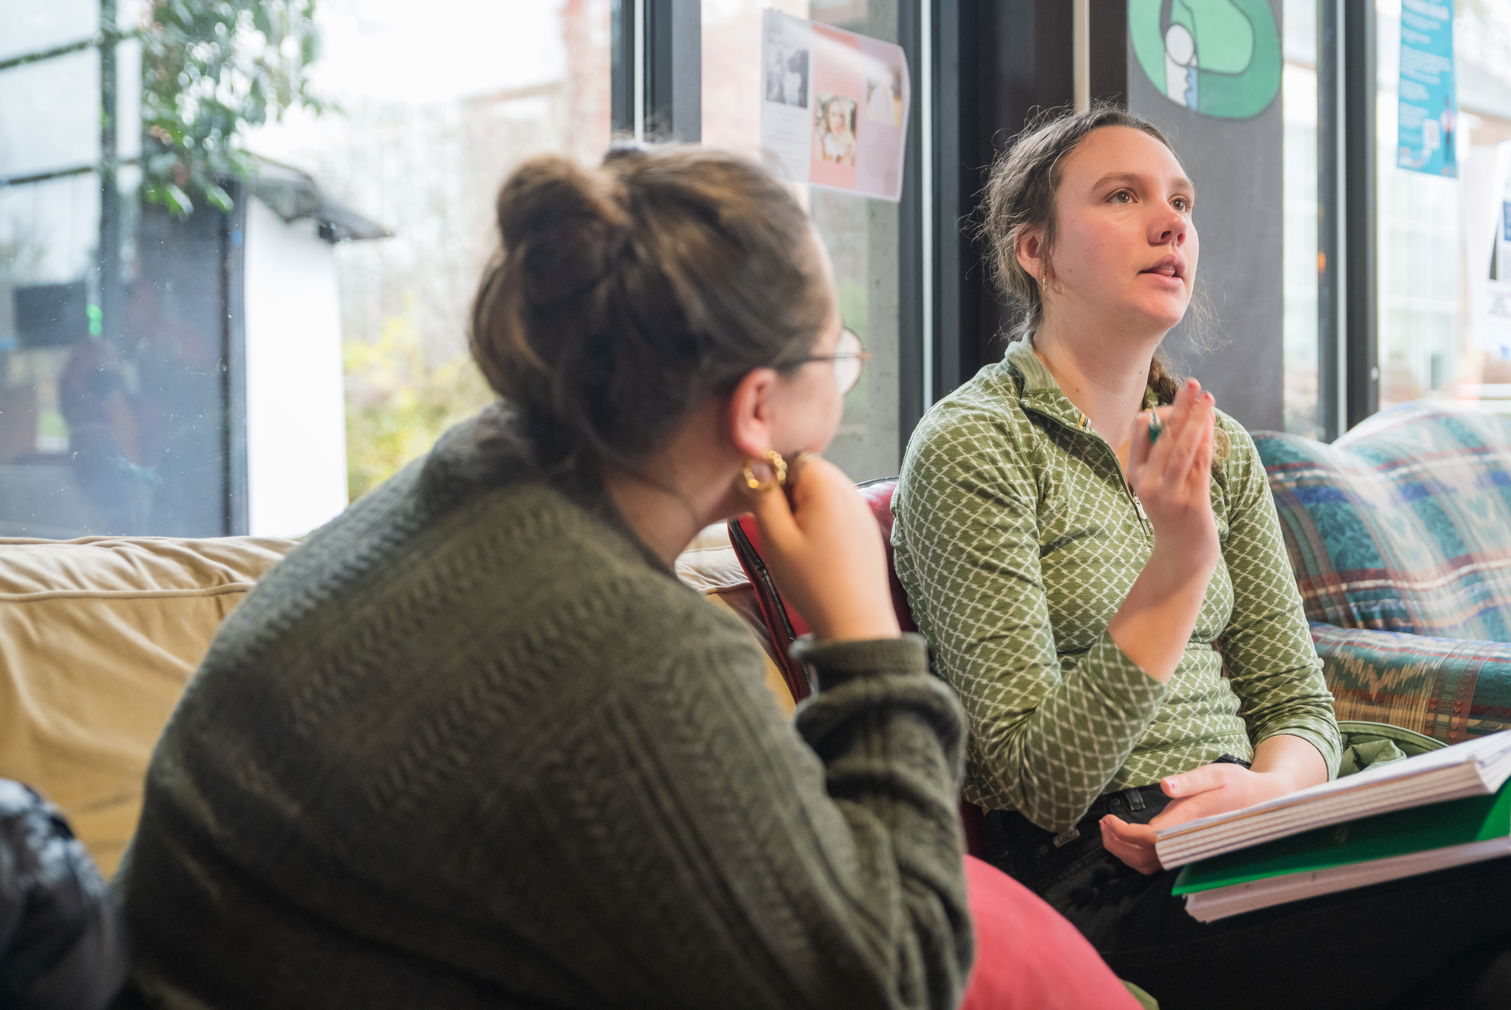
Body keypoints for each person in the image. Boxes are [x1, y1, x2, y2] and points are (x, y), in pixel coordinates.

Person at [890, 103, 1511, 1010]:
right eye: (1123, 196)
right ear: (1036, 251)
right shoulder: (974, 447)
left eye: (1180, 200)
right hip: (1108, 883)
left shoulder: (1222, 449)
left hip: (1261, 833)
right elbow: (1036, 783)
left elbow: (1297, 703)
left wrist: (1267, 789)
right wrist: (1174, 574)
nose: (1172, 221)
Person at [112, 144, 974, 1009]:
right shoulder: (635, 660)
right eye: (838, 356)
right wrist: (866, 635)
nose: (848, 377)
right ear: (757, 409)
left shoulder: (476, 468)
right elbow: (896, 982)